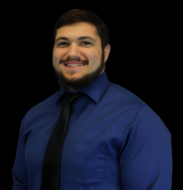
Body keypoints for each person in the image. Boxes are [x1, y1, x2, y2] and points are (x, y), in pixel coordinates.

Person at [12, 9, 172, 190]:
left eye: (85, 43)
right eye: (63, 43)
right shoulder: (33, 118)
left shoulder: (138, 119)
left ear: (105, 53)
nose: (72, 53)